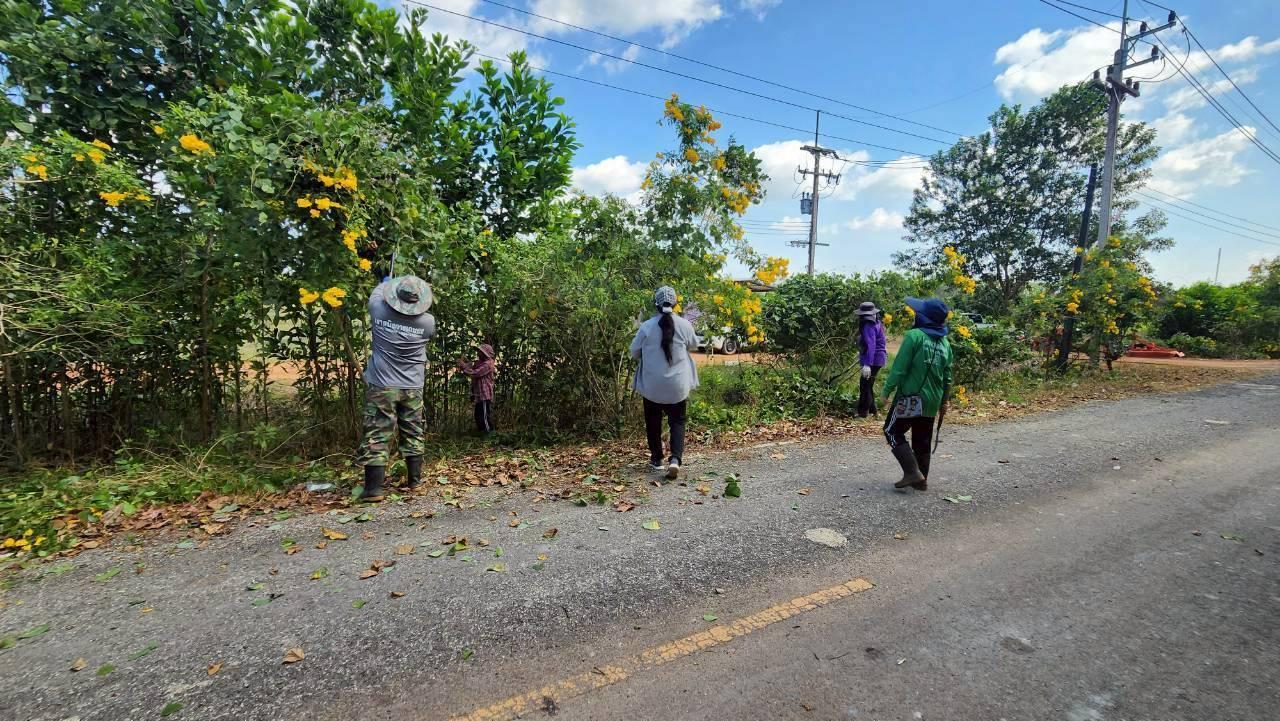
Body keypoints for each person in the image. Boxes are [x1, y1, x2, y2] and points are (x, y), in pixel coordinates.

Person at [356, 275, 436, 501]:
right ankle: (415, 482)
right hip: (412, 386)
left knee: (377, 432)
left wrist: (385, 281)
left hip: (383, 385)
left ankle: (373, 490)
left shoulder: (378, 309)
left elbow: (379, 292)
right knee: (413, 430)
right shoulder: (427, 322)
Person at [879, 297, 953, 492]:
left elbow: (900, 368)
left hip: (910, 397)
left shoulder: (914, 336)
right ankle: (922, 480)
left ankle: (912, 471)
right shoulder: (945, 344)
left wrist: (886, 391)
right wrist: (944, 402)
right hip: (933, 400)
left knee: (891, 430)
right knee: (922, 439)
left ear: (924, 318)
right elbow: (948, 378)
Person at [630, 286, 699, 480]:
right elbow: (693, 345)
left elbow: (634, 351)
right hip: (677, 385)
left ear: (656, 305)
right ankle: (675, 459)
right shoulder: (685, 325)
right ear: (676, 304)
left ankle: (656, 459)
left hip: (652, 386)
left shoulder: (646, 327)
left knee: (653, 421)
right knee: (677, 421)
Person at [856, 301, 888, 418]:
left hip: (873, 359)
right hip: (878, 358)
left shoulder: (868, 325)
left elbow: (871, 345)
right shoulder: (877, 322)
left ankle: (863, 413)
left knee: (864, 385)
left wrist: (867, 364)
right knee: (868, 385)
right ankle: (874, 411)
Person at [457, 344, 497, 433]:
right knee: (478, 415)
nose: (478, 353)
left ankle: (489, 433)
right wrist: (464, 365)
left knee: (484, 416)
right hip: (479, 394)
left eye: (480, 352)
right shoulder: (480, 362)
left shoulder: (488, 364)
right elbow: (471, 369)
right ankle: (481, 432)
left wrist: (463, 366)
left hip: (485, 394)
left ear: (485, 353)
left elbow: (475, 373)